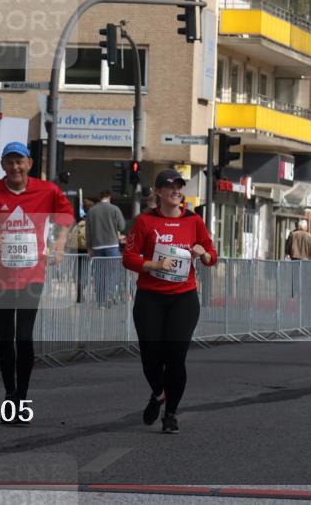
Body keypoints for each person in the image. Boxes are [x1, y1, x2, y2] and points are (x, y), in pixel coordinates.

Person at [0, 142, 74, 424]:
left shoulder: (47, 190)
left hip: (31, 275)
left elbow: (66, 215)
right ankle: (9, 393)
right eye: (10, 162)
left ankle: (21, 398)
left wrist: (60, 243)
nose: (15, 167)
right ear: (3, 165)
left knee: (23, 337)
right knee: (4, 338)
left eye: (20, 162)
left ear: (29, 164)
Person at [123, 168, 217, 434]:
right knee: (151, 358)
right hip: (150, 298)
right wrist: (153, 264)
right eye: (169, 186)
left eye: (179, 186)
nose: (176, 190)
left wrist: (205, 254)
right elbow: (128, 257)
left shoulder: (194, 221)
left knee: (176, 358)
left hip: (183, 298)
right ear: (158, 192)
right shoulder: (144, 222)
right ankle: (158, 393)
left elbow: (211, 254)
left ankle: (171, 413)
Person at [86, 190, 126, 305]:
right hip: (112, 245)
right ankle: (109, 293)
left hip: (97, 246)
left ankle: (100, 299)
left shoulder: (91, 211)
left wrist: (89, 247)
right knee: (113, 271)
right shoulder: (115, 209)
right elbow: (122, 226)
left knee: (99, 272)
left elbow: (88, 232)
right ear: (109, 197)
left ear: (99, 198)